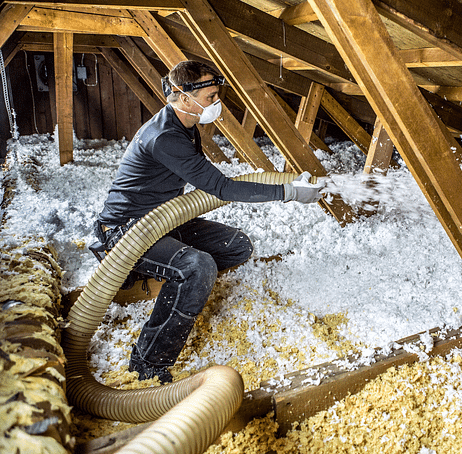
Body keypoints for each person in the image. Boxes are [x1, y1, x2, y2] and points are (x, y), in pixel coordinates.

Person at [93, 60, 325, 383]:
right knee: (198, 267)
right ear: (184, 98)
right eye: (210, 96)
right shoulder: (164, 138)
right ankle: (147, 361)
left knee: (237, 247)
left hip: (162, 220)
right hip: (126, 232)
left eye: (217, 95)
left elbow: (211, 182)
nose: (216, 103)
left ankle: (175, 281)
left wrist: (291, 185)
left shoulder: (185, 128)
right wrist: (289, 192)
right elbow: (222, 188)